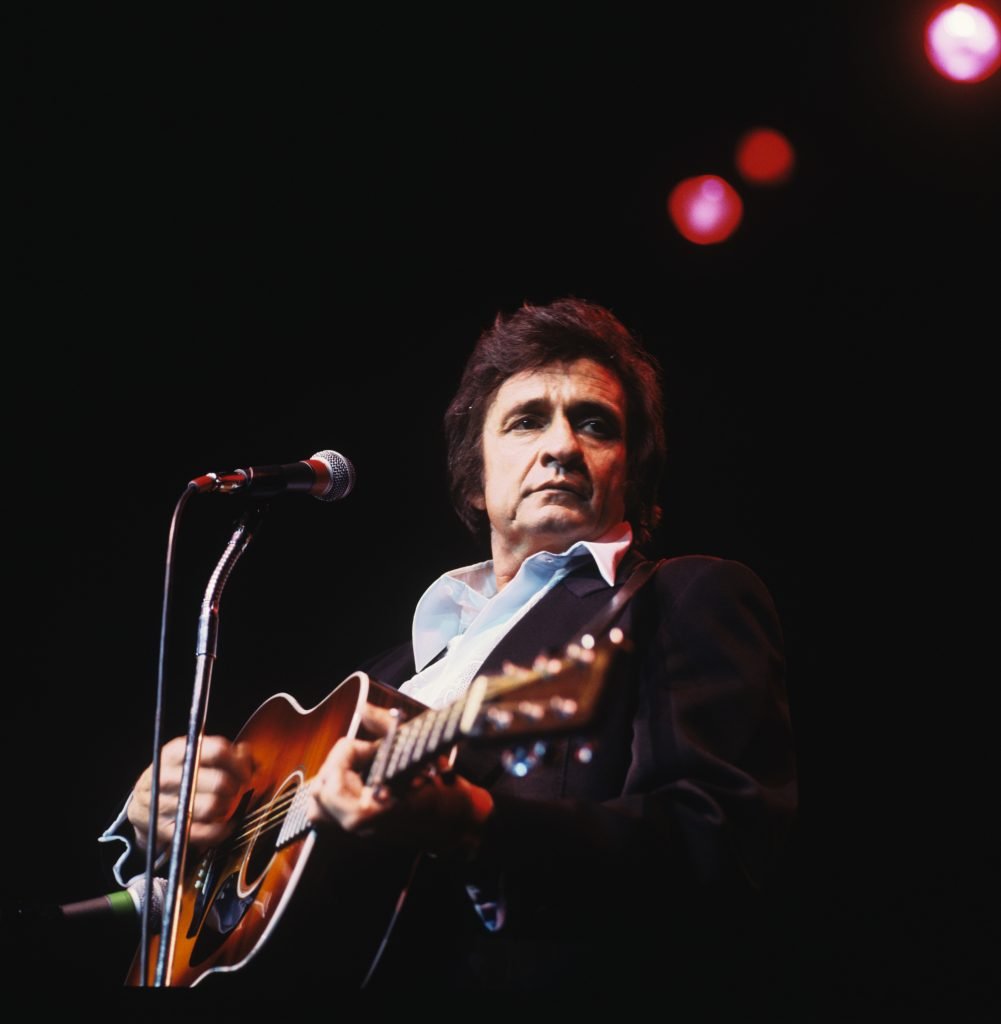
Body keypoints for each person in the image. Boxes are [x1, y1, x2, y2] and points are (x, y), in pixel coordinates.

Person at [103, 297, 797, 1001]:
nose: (560, 446)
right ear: (476, 472)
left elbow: (720, 847)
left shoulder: (682, 598)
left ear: (631, 470)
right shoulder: (391, 674)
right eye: (526, 421)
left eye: (594, 424)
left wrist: (478, 825)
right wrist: (168, 824)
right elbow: (226, 907)